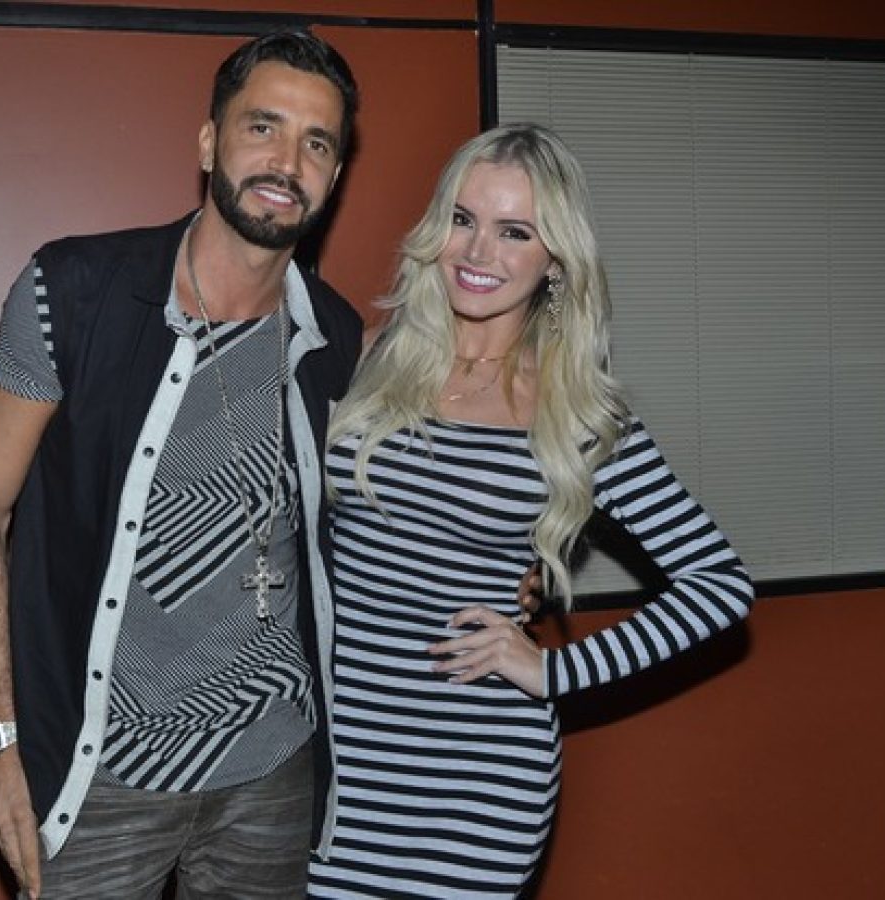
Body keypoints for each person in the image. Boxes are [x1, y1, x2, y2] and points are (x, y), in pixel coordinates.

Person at [0, 31, 363, 899]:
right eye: (263, 127)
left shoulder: (335, 338)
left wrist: (504, 568)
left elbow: (372, 520)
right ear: (209, 143)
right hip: (103, 774)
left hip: (271, 768)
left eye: (318, 143)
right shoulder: (72, 292)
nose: (287, 163)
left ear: (333, 174)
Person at [306, 124, 755, 898]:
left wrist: (551, 671)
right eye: (463, 219)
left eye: (515, 232)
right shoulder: (361, 357)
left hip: (476, 779)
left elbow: (719, 585)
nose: (478, 252)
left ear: (555, 260)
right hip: (335, 760)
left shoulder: (573, 413)